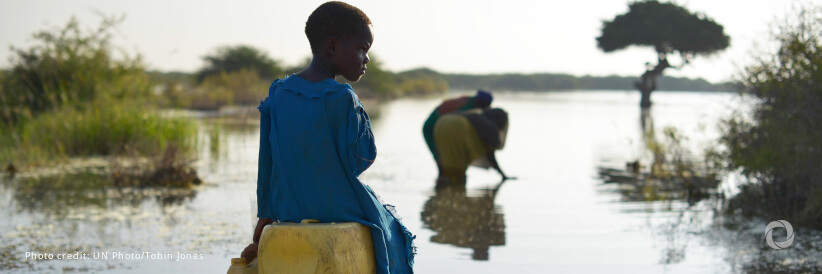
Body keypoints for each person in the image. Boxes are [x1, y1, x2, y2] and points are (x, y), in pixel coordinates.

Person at [240, 2, 414, 273]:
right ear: (332, 47)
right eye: (362, 48)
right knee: (394, 231)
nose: (366, 58)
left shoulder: (277, 93)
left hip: (288, 211)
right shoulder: (342, 97)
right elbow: (361, 160)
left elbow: (267, 161)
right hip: (337, 207)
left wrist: (266, 214)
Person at [422, 90, 493, 174]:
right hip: (432, 127)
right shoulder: (466, 105)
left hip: (442, 127)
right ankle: (443, 178)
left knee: (445, 159)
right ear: (480, 102)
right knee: (439, 156)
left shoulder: (472, 105)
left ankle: (445, 179)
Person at [433, 108, 512, 183]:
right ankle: (450, 190)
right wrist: (503, 175)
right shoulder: (489, 127)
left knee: (448, 166)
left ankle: (442, 187)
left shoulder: (476, 117)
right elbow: (490, 154)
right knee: (457, 175)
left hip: (441, 122)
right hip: (458, 126)